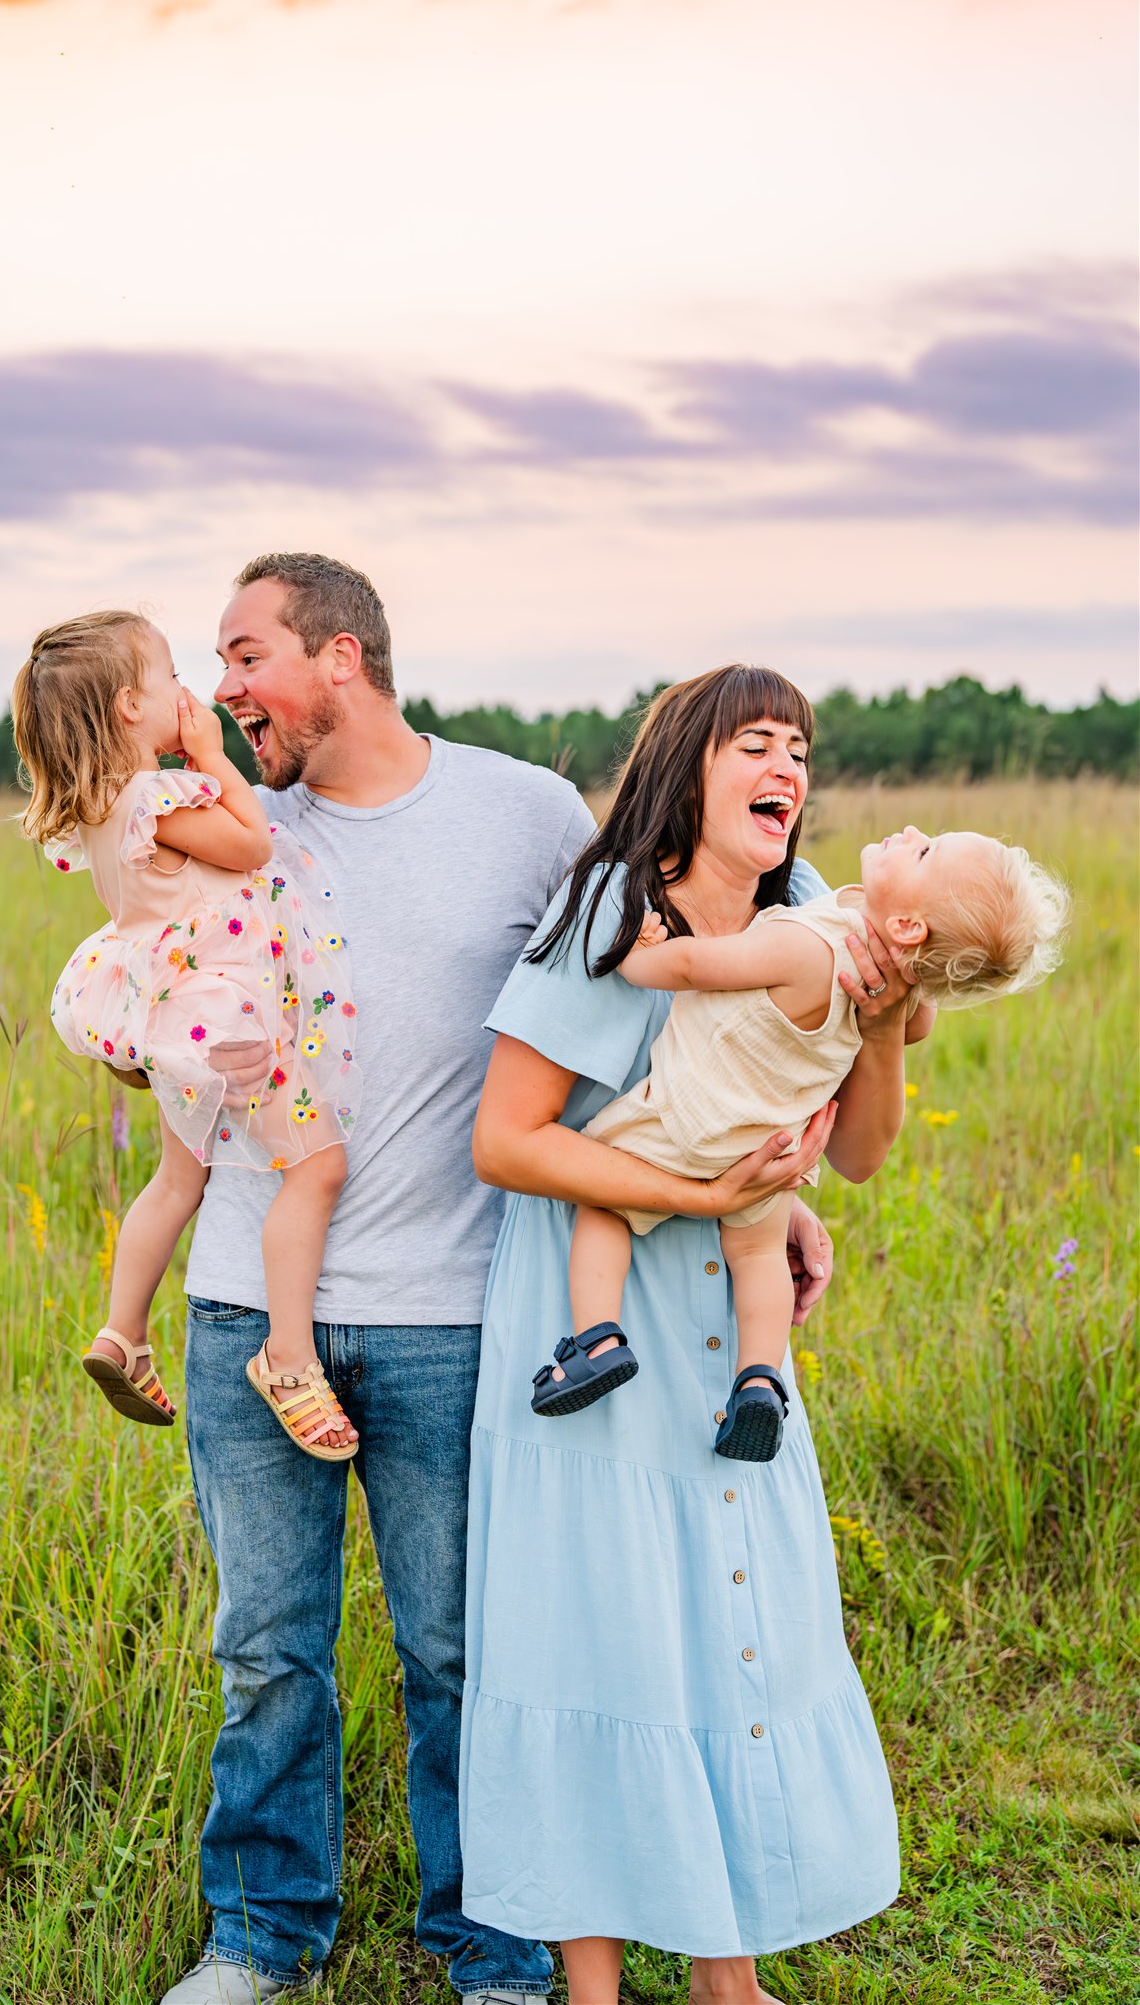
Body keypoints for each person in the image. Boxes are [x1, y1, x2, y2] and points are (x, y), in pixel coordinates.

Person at [155, 559, 843, 2005]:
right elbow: (134, 964)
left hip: (452, 1304)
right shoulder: (226, 834)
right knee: (265, 1651)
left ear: (340, 658)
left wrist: (758, 1192)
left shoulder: (522, 808)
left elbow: (674, 941)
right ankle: (259, 1937)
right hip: (246, 1299)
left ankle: (495, 1940)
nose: (226, 689)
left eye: (245, 655)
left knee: (463, 1651)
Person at [462, 666, 936, 2005]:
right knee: (600, 1633)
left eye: (801, 749)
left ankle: (728, 1978)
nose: (787, 769)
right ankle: (594, 1986)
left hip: (733, 1333)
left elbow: (857, 1154)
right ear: (692, 763)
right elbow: (505, 1140)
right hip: (588, 1319)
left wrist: (887, 1017)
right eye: (757, 743)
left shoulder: (806, 914)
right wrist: (706, 1195)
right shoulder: (614, 909)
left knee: (729, 1618)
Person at [540, 774, 1069, 1464]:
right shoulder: (895, 979)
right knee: (758, 1254)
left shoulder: (808, 941)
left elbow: (699, 964)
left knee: (601, 1201)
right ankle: (758, 1381)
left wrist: (641, 956)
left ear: (908, 924)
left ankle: (597, 1341)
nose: (910, 833)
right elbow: (915, 1026)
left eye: (924, 851)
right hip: (775, 1148)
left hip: (691, 1119)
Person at [13, 610, 359, 1455]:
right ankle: (287, 1356)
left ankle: (121, 1332)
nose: (190, 693)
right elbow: (248, 844)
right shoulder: (153, 797)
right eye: (172, 677)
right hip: (224, 1021)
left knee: (178, 1179)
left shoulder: (96, 808)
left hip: (170, 1018)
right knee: (315, 1168)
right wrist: (213, 759)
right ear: (133, 706)